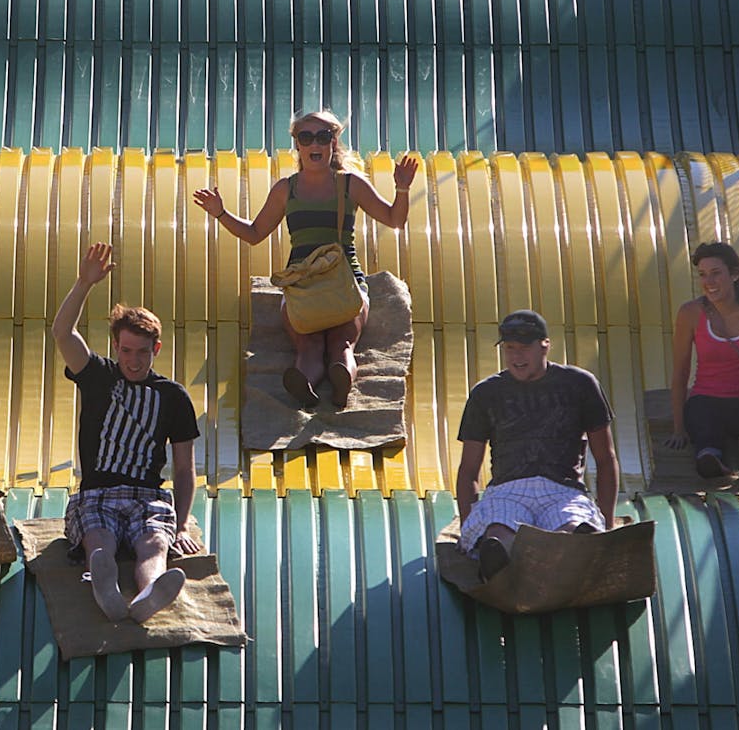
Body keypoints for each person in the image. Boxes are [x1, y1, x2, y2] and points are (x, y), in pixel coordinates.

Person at [193, 110, 418, 409]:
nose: (315, 144)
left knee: (329, 344)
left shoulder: (349, 184)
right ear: (297, 145)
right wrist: (220, 213)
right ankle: (320, 383)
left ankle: (328, 381)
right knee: (328, 345)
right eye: (306, 137)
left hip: (340, 286)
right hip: (321, 287)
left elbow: (394, 219)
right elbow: (255, 232)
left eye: (323, 137)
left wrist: (402, 188)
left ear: (334, 143)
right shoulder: (287, 189)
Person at [52, 243, 202, 623]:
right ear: (115, 347)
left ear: (157, 349)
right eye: (126, 351)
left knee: (152, 543)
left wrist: (181, 523)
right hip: (98, 492)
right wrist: (84, 284)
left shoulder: (172, 395)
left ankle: (150, 590)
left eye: (142, 352)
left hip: (148, 495)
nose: (133, 361)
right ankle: (104, 584)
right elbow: (62, 333)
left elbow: (184, 469)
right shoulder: (98, 375)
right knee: (99, 536)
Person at [454, 310, 620, 580]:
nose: (517, 357)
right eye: (510, 349)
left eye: (525, 348)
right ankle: (499, 564)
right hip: (508, 489)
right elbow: (469, 469)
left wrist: (608, 521)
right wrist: (467, 527)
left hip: (562, 490)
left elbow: (605, 458)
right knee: (498, 531)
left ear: (545, 345)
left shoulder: (579, 384)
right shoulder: (486, 393)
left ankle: (571, 553)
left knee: (575, 528)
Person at [666, 242, 739, 479]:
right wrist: (678, 428)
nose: (709, 282)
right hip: (707, 397)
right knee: (705, 427)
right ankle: (709, 460)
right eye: (703, 275)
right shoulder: (690, 313)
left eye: (716, 273)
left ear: (734, 274)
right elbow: (680, 372)